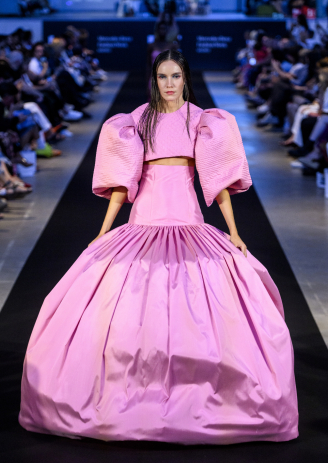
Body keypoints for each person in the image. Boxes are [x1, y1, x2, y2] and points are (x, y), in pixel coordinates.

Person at [19, 50, 299, 445]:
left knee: (199, 311)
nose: (169, 83)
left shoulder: (205, 122)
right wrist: (103, 230)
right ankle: (126, 394)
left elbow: (217, 184)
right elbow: (123, 184)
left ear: (185, 78)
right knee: (128, 309)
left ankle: (206, 395)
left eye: (176, 76)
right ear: (155, 80)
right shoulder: (134, 122)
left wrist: (234, 232)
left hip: (188, 224)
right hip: (144, 223)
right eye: (162, 76)